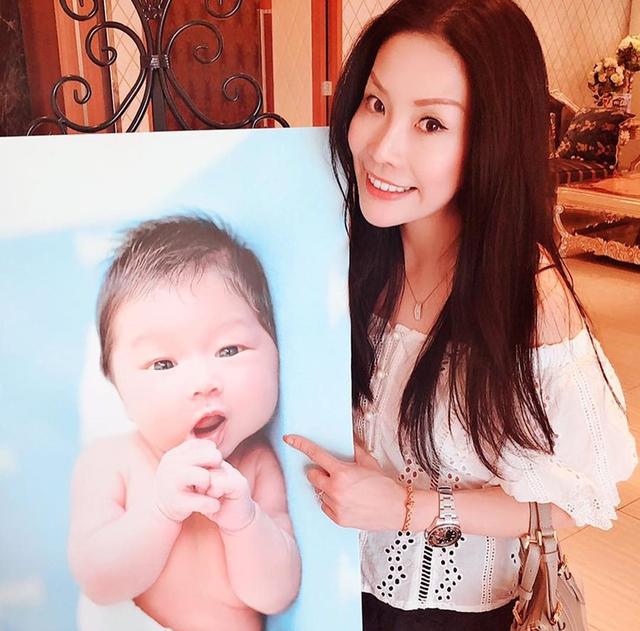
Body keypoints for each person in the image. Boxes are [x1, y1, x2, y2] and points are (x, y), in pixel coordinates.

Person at [284, 0, 638, 629]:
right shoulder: (343, 250)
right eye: (376, 103)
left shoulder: (529, 296)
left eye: (431, 123)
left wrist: (406, 507)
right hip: (326, 586)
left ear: (491, 140)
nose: (383, 150)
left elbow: (579, 496)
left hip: (454, 613)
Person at [68, 215, 301, 631]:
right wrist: (159, 511)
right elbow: (99, 581)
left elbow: (276, 594)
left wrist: (245, 522)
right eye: (163, 363)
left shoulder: (256, 466)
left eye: (229, 350)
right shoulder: (111, 463)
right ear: (118, 388)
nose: (202, 383)